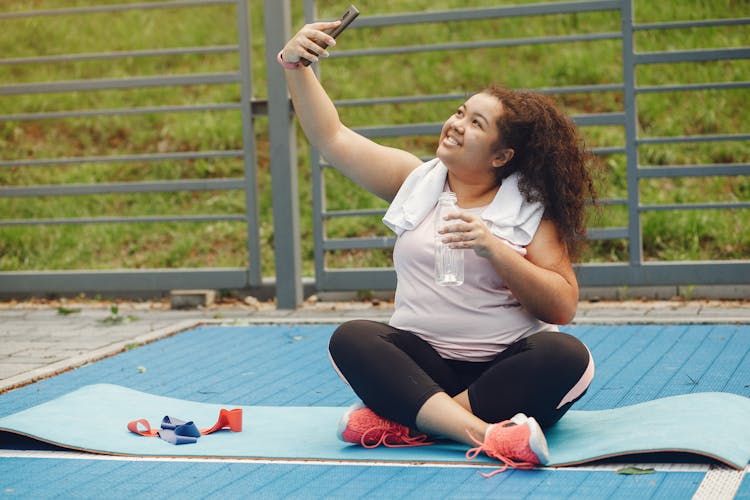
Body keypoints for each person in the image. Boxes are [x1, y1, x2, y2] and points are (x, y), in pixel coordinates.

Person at [278, 19, 597, 473]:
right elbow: (333, 137)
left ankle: (415, 421)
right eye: (460, 112)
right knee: (351, 337)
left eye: (476, 123)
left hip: (502, 370)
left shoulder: (529, 209)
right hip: (423, 368)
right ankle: (491, 435)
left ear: (501, 156)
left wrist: (494, 248)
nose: (457, 124)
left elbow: (562, 306)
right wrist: (295, 66)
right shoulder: (415, 180)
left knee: (568, 357)